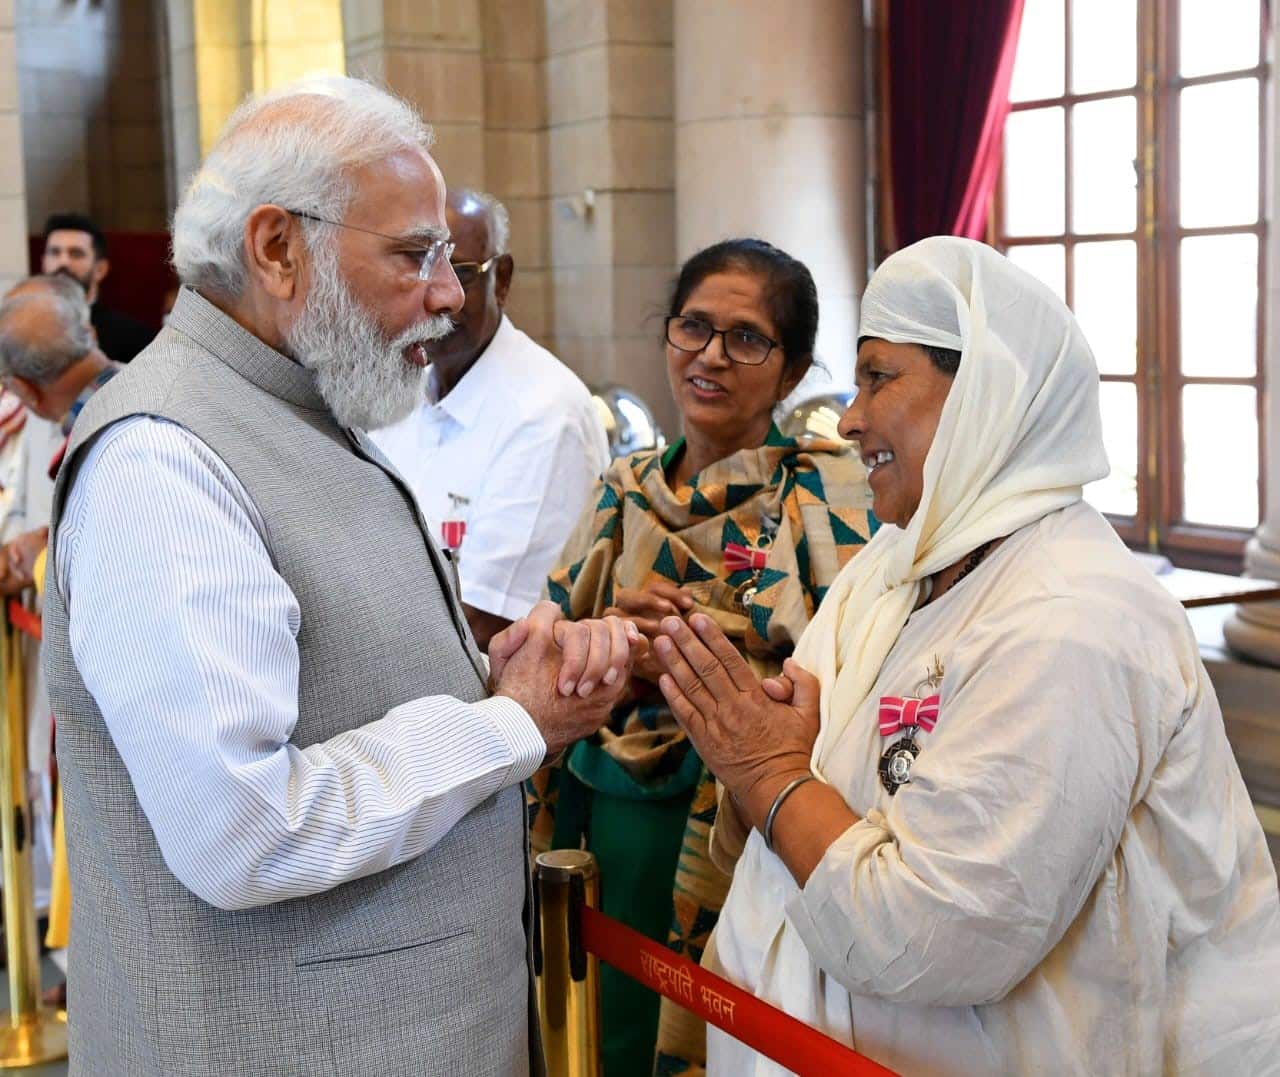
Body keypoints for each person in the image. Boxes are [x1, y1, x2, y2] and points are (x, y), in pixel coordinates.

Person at [42, 76, 643, 1076]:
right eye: (414, 255)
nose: (449, 294)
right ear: (278, 248)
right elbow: (243, 827)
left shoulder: (297, 399)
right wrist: (508, 726)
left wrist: (494, 677)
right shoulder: (162, 458)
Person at [650, 236, 1280, 1075]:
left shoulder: (1072, 617)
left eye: (879, 377)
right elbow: (787, 809)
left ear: (984, 393)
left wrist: (768, 774)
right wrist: (758, 765)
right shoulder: (894, 564)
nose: (849, 418)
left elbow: (929, 938)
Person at [531, 239, 876, 1076]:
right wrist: (612, 641)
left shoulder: (826, 491)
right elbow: (546, 651)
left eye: (746, 338)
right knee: (604, 1033)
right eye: (694, 326)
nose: (712, 355)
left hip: (744, 824)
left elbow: (855, 671)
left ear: (793, 371)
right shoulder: (624, 488)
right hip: (607, 813)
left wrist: (700, 661)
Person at [372, 188, 609, 650]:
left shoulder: (546, 414)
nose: (436, 294)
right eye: (417, 266)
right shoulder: (405, 385)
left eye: (460, 271)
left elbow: (482, 623)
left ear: (502, 279)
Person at [41, 213, 155, 363]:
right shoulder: (22, 330)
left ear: (100, 269)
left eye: (76, 254)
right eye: (54, 252)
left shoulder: (137, 339)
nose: (63, 262)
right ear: (43, 263)